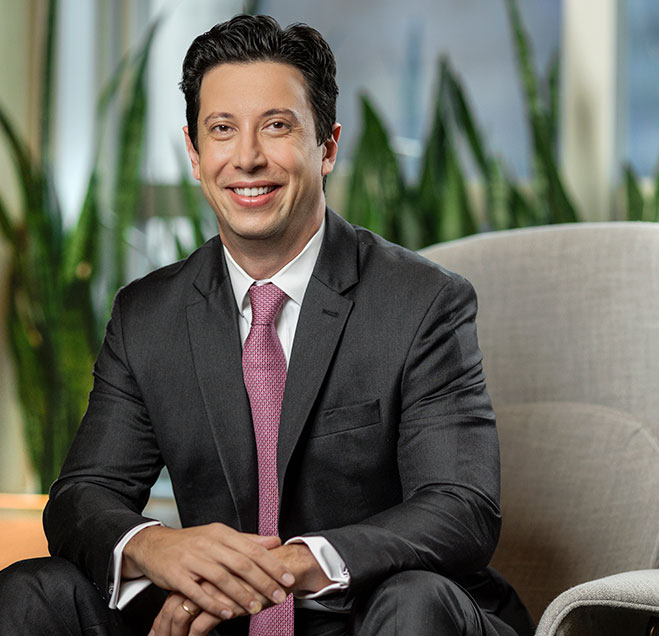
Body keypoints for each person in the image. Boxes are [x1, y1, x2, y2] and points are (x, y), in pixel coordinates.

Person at [0, 14, 534, 636]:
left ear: (328, 146)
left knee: (414, 603)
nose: (247, 158)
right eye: (221, 131)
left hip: (371, 615)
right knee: (32, 592)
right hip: (207, 625)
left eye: (276, 127)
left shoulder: (423, 303)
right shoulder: (147, 315)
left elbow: (461, 508)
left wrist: (287, 568)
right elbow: (79, 500)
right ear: (196, 156)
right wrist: (158, 551)